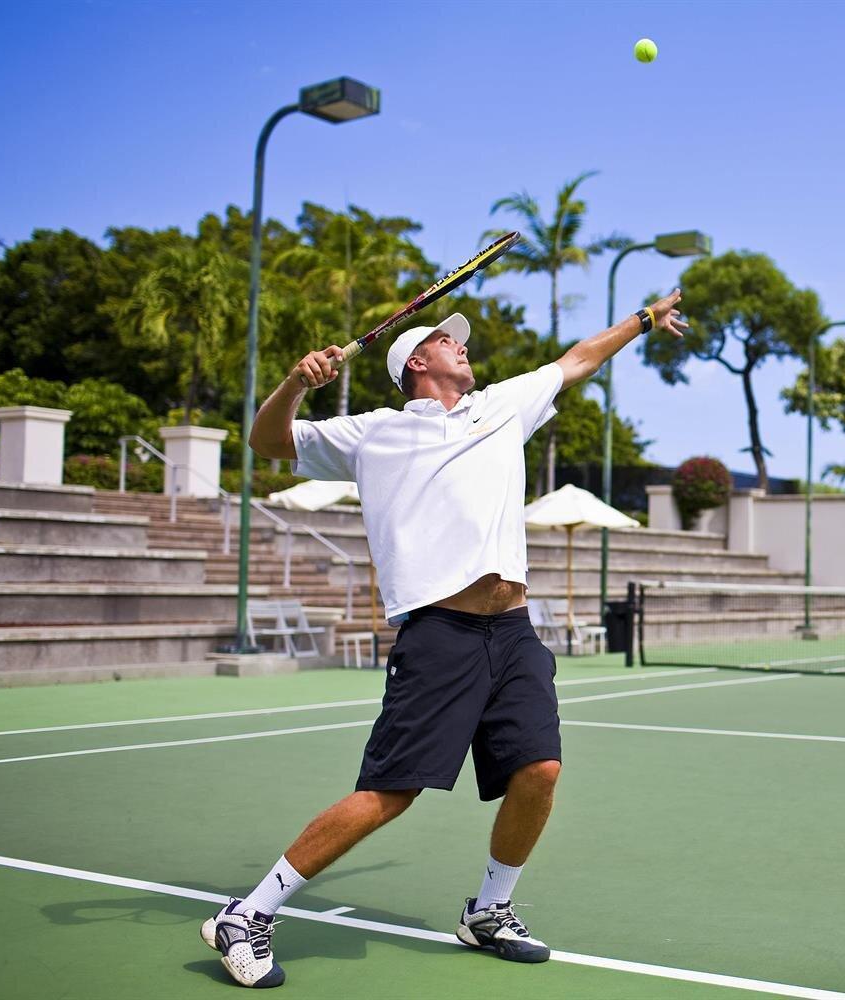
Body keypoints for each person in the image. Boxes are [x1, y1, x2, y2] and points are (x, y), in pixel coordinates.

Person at [199, 291, 688, 988]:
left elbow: (578, 360)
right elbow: (268, 442)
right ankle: (246, 914)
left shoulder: (501, 406)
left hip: (512, 630)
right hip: (440, 632)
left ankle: (488, 911)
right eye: (446, 340)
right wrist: (294, 385)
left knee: (539, 772)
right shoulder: (373, 434)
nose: (462, 345)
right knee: (388, 793)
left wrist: (641, 321)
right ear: (417, 361)